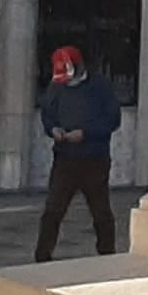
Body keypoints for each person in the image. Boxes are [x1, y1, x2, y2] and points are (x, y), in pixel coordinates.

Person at [33, 45, 121, 261]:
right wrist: (52, 129)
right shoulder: (56, 87)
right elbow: (47, 113)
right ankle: (42, 256)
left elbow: (112, 120)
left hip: (94, 158)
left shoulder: (100, 86)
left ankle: (107, 255)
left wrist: (86, 133)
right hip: (65, 158)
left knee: (101, 212)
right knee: (53, 210)